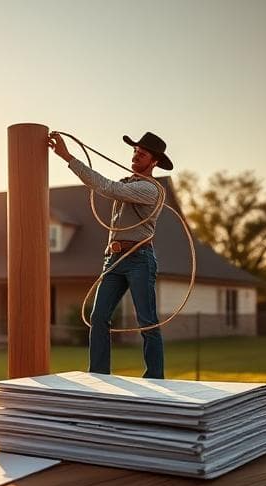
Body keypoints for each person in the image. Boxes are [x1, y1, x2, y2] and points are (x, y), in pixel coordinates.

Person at [47, 131, 173, 379]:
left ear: (154, 161)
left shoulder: (150, 189)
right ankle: (99, 374)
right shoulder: (128, 184)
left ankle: (155, 377)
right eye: (135, 151)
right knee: (99, 316)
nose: (136, 156)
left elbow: (107, 187)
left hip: (139, 259)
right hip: (114, 260)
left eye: (142, 154)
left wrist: (67, 157)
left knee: (146, 320)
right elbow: (110, 188)